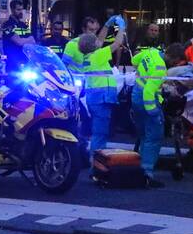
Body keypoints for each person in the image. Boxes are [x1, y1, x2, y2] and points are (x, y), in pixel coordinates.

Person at [71, 25, 126, 159]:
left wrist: (107, 25)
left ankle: (96, 162)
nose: (99, 42)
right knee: (100, 134)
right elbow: (118, 43)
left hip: (95, 99)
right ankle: (97, 164)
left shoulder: (87, 58)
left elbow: (99, 41)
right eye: (96, 41)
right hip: (102, 99)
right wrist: (122, 28)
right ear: (94, 45)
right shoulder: (98, 55)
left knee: (98, 132)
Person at [130, 23, 167, 188]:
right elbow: (149, 92)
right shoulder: (160, 65)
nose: (154, 32)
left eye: (156, 30)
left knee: (144, 135)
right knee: (154, 136)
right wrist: (154, 113)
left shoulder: (152, 51)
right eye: (151, 30)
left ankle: (140, 170)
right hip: (146, 99)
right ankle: (147, 173)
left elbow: (134, 60)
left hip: (136, 96)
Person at [0, 0, 34, 74]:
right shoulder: (7, 25)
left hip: (25, 63)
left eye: (22, 9)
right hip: (12, 64)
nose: (21, 12)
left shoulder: (24, 25)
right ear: (12, 10)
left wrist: (22, 40)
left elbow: (33, 41)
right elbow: (19, 42)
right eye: (18, 9)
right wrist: (26, 40)